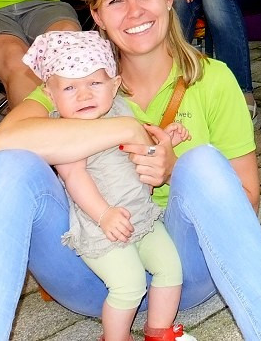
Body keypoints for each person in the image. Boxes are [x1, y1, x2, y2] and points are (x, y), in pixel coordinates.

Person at [0, 0, 261, 341]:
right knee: (10, 166)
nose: (134, 12)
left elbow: (248, 201)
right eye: (116, 1)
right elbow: (6, 144)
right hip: (90, 274)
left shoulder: (214, 79)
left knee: (202, 161)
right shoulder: (76, 79)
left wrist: (173, 171)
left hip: (178, 276)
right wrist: (125, 128)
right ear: (98, 15)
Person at [23, 30, 196, 341]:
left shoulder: (120, 109)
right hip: (100, 226)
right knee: (129, 285)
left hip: (142, 216)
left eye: (94, 83)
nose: (85, 95)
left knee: (171, 268)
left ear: (114, 85)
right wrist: (104, 215)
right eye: (70, 87)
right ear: (50, 94)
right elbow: (75, 176)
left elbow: (142, 147)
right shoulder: (61, 129)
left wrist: (165, 139)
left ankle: (160, 331)